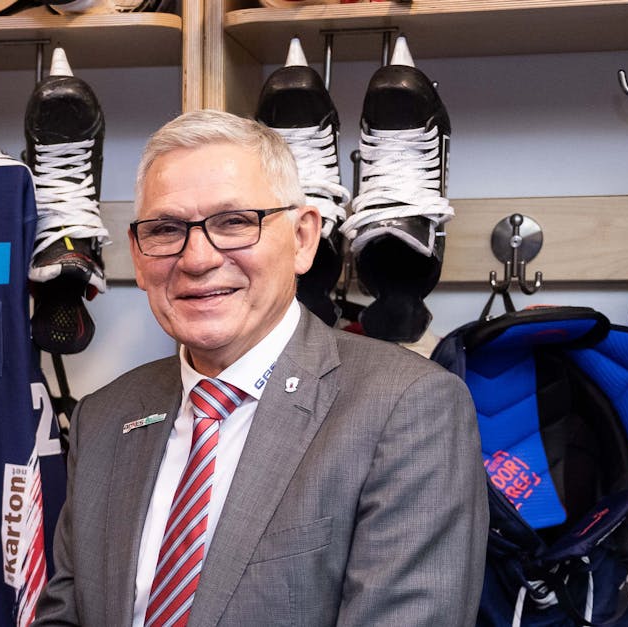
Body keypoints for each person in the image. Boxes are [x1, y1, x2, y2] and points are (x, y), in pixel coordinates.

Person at [33, 110, 486, 627]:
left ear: (302, 239)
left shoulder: (407, 408)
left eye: (234, 223)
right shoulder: (104, 417)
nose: (197, 258)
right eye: (164, 229)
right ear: (138, 258)